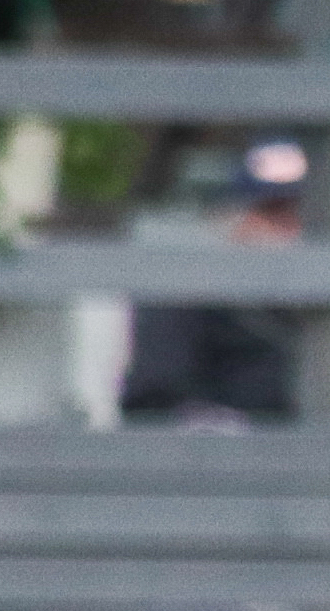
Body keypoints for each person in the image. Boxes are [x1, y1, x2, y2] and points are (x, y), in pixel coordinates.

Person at [120, 139, 312, 426]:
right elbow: (154, 401)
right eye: (272, 210)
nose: (290, 227)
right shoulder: (188, 301)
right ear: (232, 218)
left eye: (300, 211)